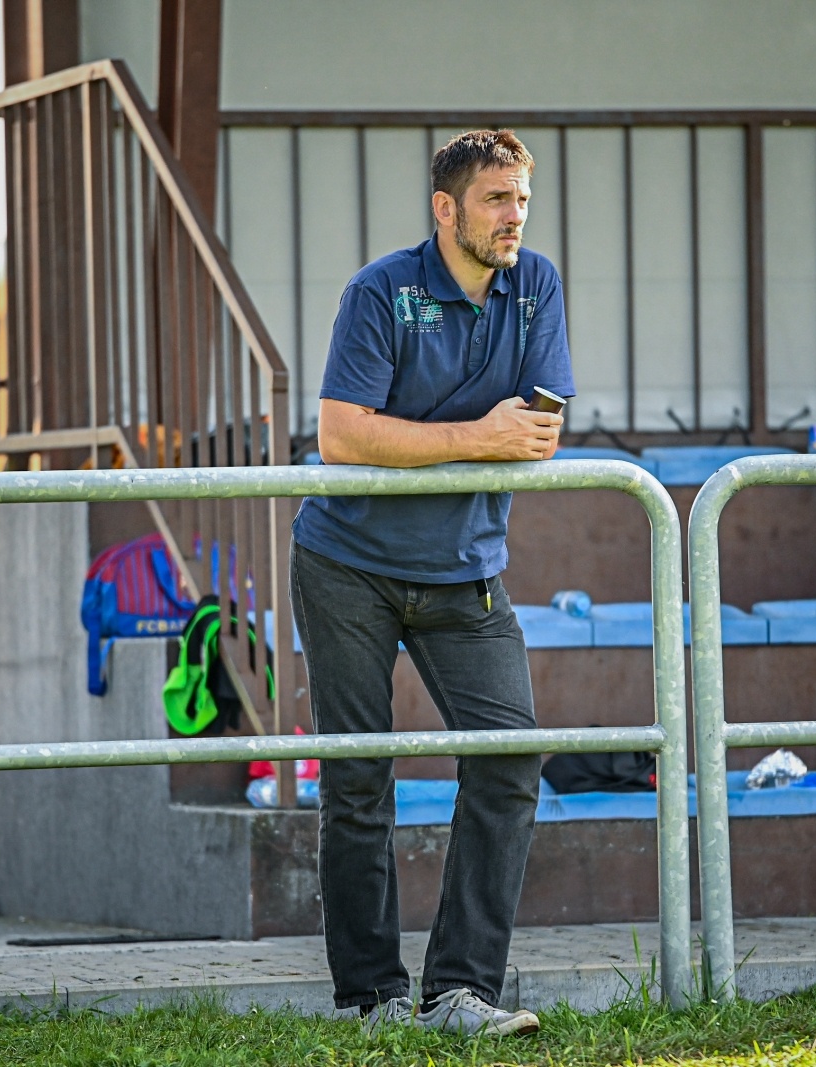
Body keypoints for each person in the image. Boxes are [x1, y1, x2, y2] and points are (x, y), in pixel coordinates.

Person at [290, 128, 573, 1037]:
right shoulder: (381, 291)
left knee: (510, 757)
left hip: (465, 570)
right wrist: (474, 436)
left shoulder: (536, 285)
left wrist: (420, 436)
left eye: (521, 198)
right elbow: (342, 433)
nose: (515, 216)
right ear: (446, 208)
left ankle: (459, 993)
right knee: (358, 776)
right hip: (347, 565)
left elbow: (537, 431)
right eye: (496, 199)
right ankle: (370, 999)